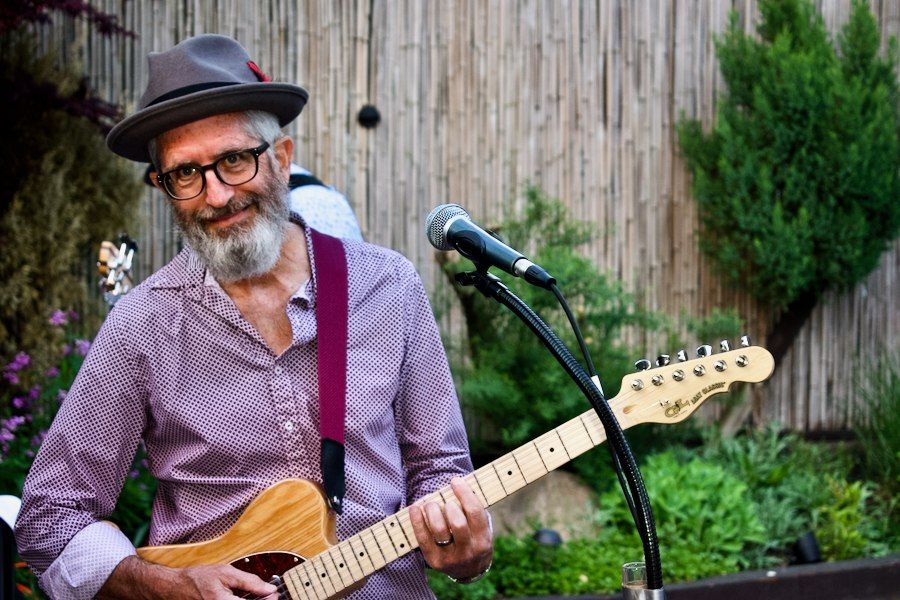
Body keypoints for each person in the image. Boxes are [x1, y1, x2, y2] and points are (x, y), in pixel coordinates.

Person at [15, 34, 492, 599]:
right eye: (186, 174)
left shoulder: (387, 286)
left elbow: (440, 473)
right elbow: (50, 517)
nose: (215, 195)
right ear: (167, 189)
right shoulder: (143, 324)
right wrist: (167, 585)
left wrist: (464, 548)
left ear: (283, 159)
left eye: (235, 160)